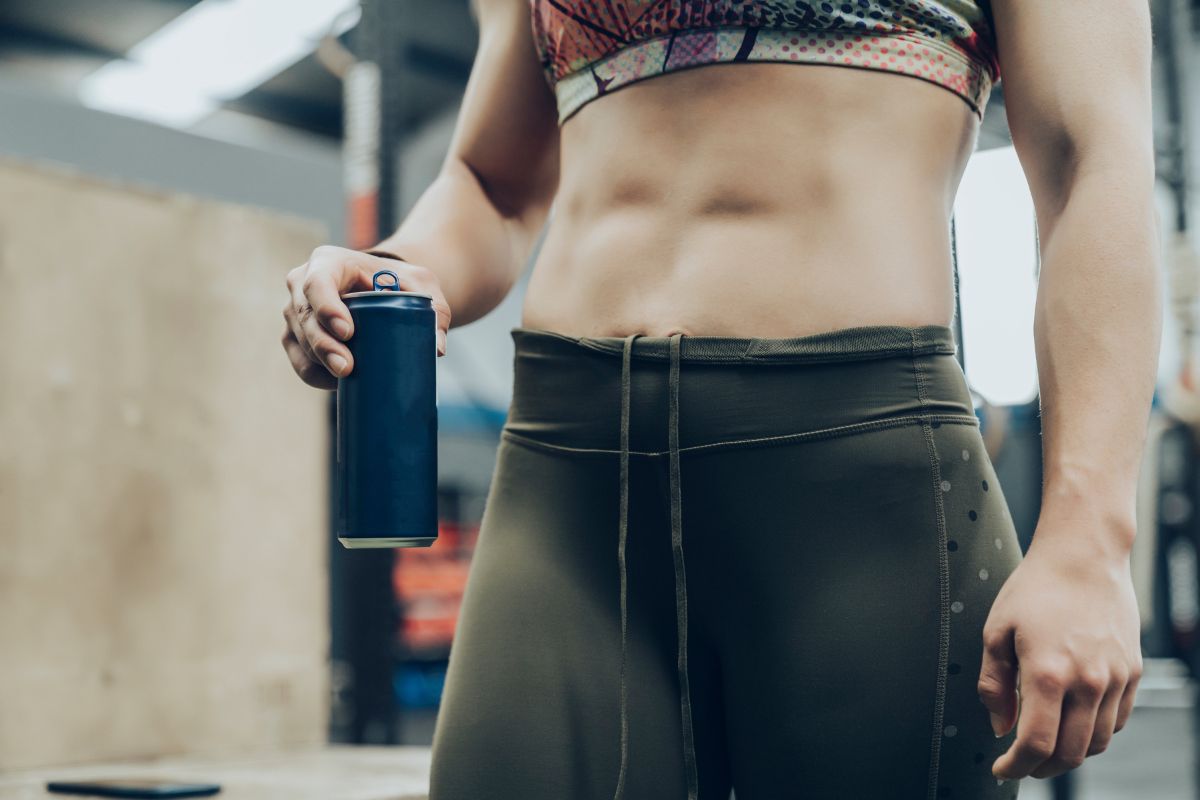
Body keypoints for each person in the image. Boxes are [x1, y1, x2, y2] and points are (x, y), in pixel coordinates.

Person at [281, 1, 1160, 797]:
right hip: (569, 481)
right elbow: (491, 184)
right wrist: (393, 267)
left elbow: (1092, 163)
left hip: (858, 488)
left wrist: (1089, 541)